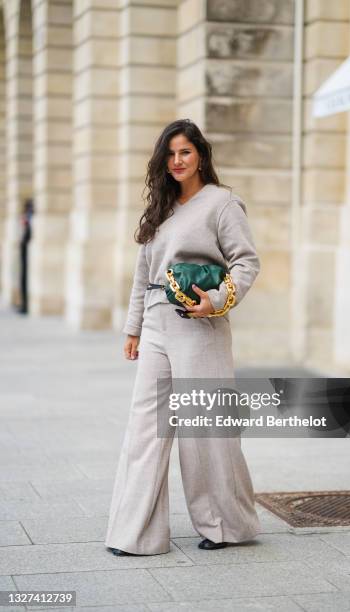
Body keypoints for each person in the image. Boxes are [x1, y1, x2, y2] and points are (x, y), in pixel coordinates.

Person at [105, 118, 262, 556]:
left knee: (204, 431)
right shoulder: (162, 207)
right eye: (170, 154)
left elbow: (246, 263)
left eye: (185, 152)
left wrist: (215, 300)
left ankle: (226, 525)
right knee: (144, 431)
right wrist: (133, 327)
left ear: (201, 156)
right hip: (156, 323)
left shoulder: (223, 204)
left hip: (200, 324)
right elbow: (143, 274)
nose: (177, 161)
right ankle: (135, 533)